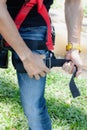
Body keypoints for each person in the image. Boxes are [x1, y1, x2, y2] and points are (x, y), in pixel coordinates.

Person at [0, 0, 83, 130]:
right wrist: (27, 57)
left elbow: (74, 2)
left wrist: (73, 48)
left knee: (33, 107)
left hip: (32, 21)